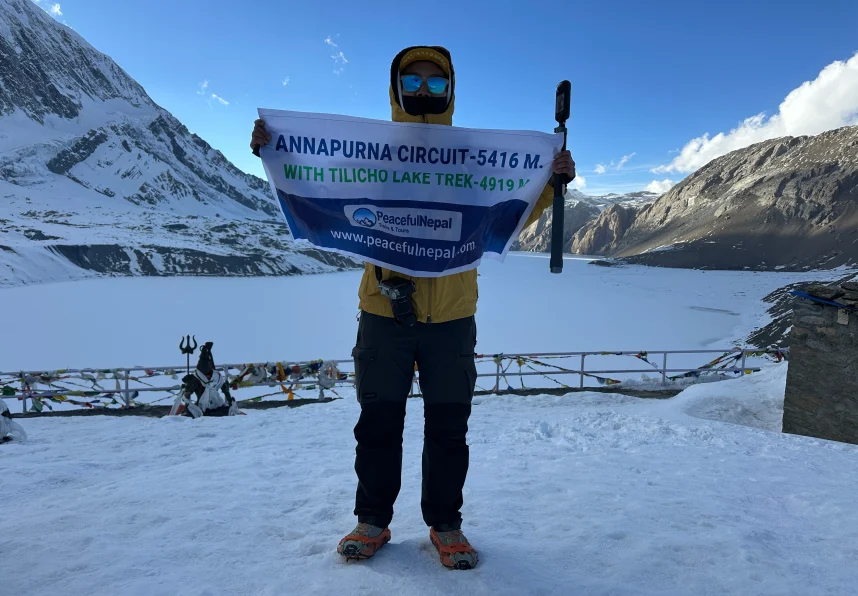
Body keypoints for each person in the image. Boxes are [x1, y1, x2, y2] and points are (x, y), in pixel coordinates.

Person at [250, 45, 575, 570]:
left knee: (449, 426)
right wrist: (276, 152)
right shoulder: (371, 152)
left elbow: (502, 209)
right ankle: (372, 521)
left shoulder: (469, 153)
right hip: (383, 311)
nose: (425, 92)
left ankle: (446, 525)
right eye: (415, 82)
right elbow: (322, 183)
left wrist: (550, 180)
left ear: (450, 90)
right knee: (378, 423)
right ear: (397, 90)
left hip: (452, 316)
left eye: (436, 83)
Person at [170, 342, 240, 418]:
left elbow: (225, 390)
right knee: (193, 414)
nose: (208, 376)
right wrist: (187, 390)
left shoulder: (217, 377)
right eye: (206, 374)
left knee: (228, 411)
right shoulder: (195, 378)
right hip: (201, 408)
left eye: (209, 374)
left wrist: (230, 402)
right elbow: (187, 395)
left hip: (217, 405)